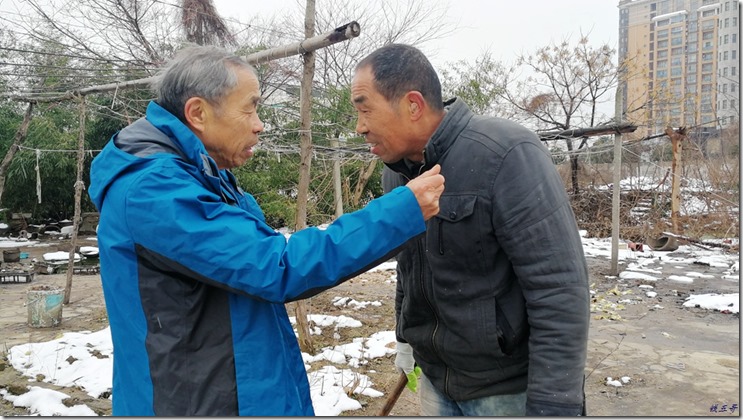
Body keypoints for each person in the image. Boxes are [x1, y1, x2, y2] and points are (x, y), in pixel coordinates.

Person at [87, 45, 445, 416]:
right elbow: (274, 265)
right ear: (198, 113)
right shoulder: (154, 191)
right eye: (250, 108)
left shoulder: (200, 175)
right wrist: (401, 212)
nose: (259, 124)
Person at [351, 43, 590, 416]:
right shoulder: (396, 175)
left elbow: (558, 288)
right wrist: (405, 341)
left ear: (412, 105)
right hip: (435, 381)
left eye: (365, 109)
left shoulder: (505, 153)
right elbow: (408, 269)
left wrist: (554, 404)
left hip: (505, 391)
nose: (360, 126)